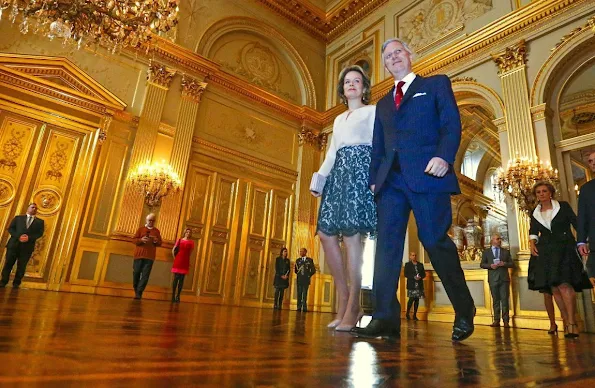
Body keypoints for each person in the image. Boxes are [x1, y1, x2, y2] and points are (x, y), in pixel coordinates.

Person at [353, 38, 475, 341]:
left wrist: (444, 156)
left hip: (427, 174)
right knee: (386, 248)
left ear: (410, 55)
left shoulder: (435, 84)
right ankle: (384, 318)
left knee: (433, 240)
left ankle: (464, 308)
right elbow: (378, 146)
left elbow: (450, 124)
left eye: (398, 52)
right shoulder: (382, 104)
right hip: (391, 183)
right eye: (388, 56)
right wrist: (373, 179)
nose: (393, 58)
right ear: (385, 65)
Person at [310, 64, 376, 331]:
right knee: (325, 233)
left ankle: (352, 307)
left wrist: (374, 179)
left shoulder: (372, 112)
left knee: (351, 237)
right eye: (347, 81)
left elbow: (378, 145)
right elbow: (331, 153)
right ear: (342, 89)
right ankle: (345, 298)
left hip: (360, 171)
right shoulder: (338, 120)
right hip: (338, 174)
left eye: (356, 81)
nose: (351, 84)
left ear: (363, 87)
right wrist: (319, 180)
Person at [528, 181, 592, 338]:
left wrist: (585, 241)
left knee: (564, 285)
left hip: (565, 249)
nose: (541, 194)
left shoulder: (562, 206)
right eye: (538, 192)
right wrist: (531, 243)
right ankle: (565, 320)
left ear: (550, 192)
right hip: (545, 252)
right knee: (554, 288)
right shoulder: (535, 212)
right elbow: (533, 231)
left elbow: (577, 224)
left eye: (544, 191)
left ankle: (572, 323)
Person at [0, 203, 44, 289]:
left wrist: (29, 238)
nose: (34, 209)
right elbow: (11, 228)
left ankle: (16, 284)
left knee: (22, 266)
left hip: (27, 247)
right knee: (8, 263)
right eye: (32, 207)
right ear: (28, 208)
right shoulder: (18, 218)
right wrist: (19, 236)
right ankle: (3, 281)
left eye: (36, 208)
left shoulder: (40, 222)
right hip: (13, 245)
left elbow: (40, 233)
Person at [480, 234, 513, 328]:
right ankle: (496, 320)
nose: (499, 240)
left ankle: (506, 321)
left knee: (505, 300)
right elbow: (482, 264)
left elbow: (512, 264)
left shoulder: (505, 252)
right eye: (497, 239)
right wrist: (490, 266)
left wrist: (504, 263)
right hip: (493, 279)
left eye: (500, 239)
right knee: (495, 301)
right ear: (492, 240)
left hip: (504, 279)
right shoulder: (486, 252)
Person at [132, 213, 162, 299]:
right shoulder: (141, 229)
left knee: (145, 275)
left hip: (150, 256)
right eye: (150, 220)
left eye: (153, 221)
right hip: (139, 255)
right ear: (146, 220)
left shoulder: (156, 231)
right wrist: (141, 240)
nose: (151, 222)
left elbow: (160, 243)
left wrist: (156, 241)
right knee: (136, 273)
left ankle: (139, 292)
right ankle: (136, 289)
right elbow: (134, 240)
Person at [577, 151, 595, 287]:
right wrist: (581, 241)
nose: (593, 163)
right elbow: (582, 217)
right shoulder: (586, 189)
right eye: (590, 161)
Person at [171, 227, 194, 303]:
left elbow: (190, 253)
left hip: (185, 261)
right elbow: (173, 250)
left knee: (181, 279)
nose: (188, 233)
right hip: (178, 260)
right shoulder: (180, 240)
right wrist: (175, 258)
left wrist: (187, 260)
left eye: (189, 232)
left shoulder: (191, 242)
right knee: (176, 278)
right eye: (187, 232)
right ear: (185, 232)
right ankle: (173, 295)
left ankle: (178, 296)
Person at [403, 252, 425, 321]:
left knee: (417, 300)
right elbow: (406, 274)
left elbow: (424, 274)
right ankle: (407, 313)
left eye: (415, 255)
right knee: (411, 299)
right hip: (412, 284)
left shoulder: (420, 265)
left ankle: (415, 315)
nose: (414, 256)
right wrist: (413, 277)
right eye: (412, 255)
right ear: (410, 256)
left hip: (419, 284)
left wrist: (420, 277)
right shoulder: (407, 265)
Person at [295, 248, 316, 312]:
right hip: (299, 279)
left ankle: (304, 307)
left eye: (302, 251)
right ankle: (298, 307)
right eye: (300, 251)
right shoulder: (298, 260)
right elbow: (296, 270)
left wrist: (308, 275)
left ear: (305, 252)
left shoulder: (309, 260)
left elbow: (313, 270)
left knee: (304, 294)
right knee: (299, 293)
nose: (300, 252)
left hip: (306, 279)